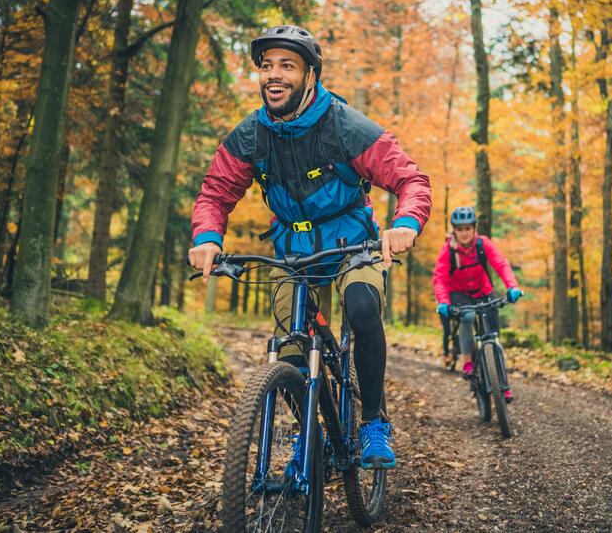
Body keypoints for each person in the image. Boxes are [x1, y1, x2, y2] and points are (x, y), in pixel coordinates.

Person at [188, 25, 431, 469]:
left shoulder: (344, 125)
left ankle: (374, 423)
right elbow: (215, 194)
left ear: (311, 76)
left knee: (360, 307)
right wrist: (207, 239)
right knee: (291, 348)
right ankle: (311, 432)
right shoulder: (250, 136)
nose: (273, 75)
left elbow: (410, 180)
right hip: (292, 251)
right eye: (266, 66)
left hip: (352, 244)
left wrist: (405, 224)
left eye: (287, 65)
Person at [432, 206, 522, 402]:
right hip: (459, 294)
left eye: (467, 228)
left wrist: (512, 287)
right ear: (454, 230)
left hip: (483, 291)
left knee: (493, 335)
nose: (464, 233)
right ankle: (467, 361)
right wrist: (444, 302)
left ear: (474, 229)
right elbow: (440, 277)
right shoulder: (448, 250)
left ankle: (502, 385)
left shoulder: (483, 244)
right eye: (460, 229)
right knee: (468, 316)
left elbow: (501, 263)